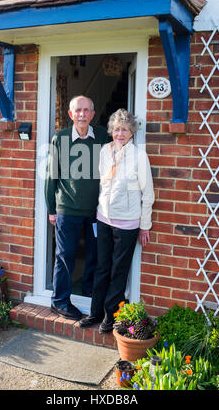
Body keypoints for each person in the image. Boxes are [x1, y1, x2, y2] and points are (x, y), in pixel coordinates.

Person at [79, 108, 155, 333]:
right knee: (102, 267)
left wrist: (145, 225)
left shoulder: (139, 155)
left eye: (125, 129)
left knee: (118, 271)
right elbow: (103, 181)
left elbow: (148, 193)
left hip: (128, 223)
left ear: (131, 132)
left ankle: (111, 317)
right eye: (117, 129)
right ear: (112, 130)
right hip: (103, 218)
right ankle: (95, 312)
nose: (120, 133)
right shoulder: (105, 151)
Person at [45, 95, 109, 321]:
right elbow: (51, 176)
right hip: (67, 210)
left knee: (95, 255)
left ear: (92, 114)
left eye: (86, 110)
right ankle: (60, 301)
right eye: (78, 111)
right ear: (71, 115)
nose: (82, 114)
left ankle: (90, 291)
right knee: (65, 256)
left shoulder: (102, 136)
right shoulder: (60, 138)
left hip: (95, 211)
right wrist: (51, 209)